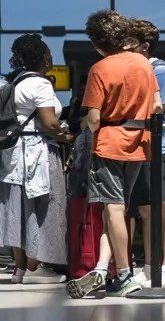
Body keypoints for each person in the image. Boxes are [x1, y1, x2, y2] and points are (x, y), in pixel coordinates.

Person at [69, 10, 163, 297]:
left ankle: (124, 275)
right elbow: (158, 105)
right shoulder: (143, 63)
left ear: (97, 43)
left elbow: (94, 119)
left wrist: (82, 123)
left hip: (108, 143)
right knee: (120, 206)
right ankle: (102, 268)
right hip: (140, 143)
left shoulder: (100, 69)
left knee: (112, 208)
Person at [0, 34, 73, 284]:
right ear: (44, 58)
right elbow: (50, 122)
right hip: (37, 154)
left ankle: (20, 269)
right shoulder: (40, 84)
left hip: (13, 157)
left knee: (18, 209)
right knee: (42, 208)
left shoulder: (14, 82)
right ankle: (36, 267)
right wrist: (65, 135)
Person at [127, 18, 165, 290]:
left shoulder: (158, 71)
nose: (124, 48)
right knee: (148, 210)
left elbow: (155, 110)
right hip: (148, 148)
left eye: (130, 43)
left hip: (164, 148)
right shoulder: (144, 69)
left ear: (144, 46)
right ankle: (150, 268)